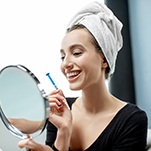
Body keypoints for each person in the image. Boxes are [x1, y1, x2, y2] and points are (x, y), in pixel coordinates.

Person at [18, 1, 148, 151]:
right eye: (62, 57)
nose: (65, 64)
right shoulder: (60, 110)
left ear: (104, 58)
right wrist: (63, 132)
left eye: (77, 53)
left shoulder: (131, 120)